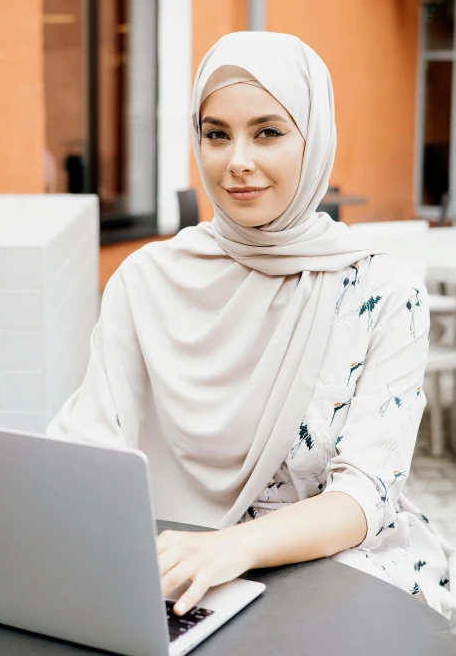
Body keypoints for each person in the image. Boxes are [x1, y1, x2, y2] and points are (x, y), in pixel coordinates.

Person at [47, 32, 456, 622]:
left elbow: (365, 492)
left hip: (344, 565)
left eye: (267, 132)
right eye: (217, 134)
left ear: (312, 141)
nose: (237, 159)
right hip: (182, 567)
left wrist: (231, 547)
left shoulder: (382, 292)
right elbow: (90, 443)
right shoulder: (146, 279)